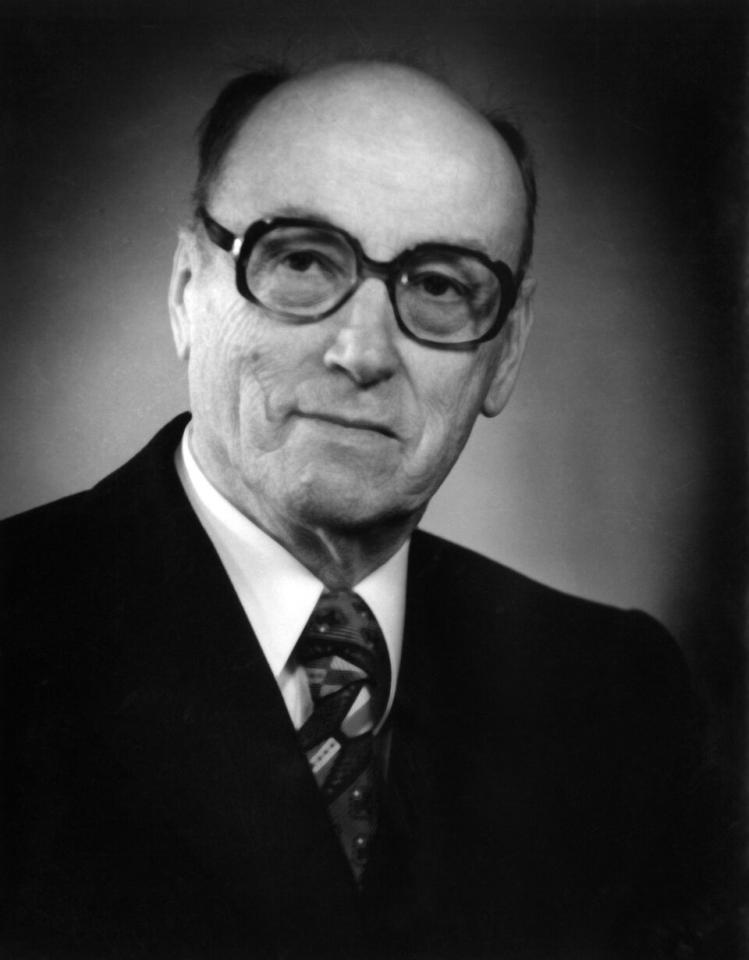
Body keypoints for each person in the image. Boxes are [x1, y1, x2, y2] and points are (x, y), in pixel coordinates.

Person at [1, 60, 706, 959]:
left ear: (505, 352)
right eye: (301, 260)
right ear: (186, 290)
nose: (363, 352)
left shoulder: (616, 695)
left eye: (439, 285)